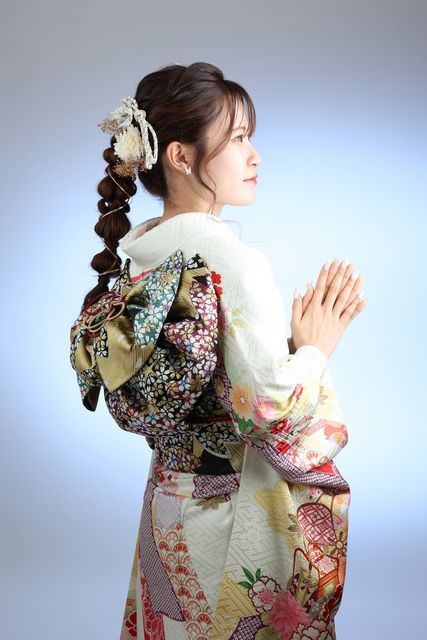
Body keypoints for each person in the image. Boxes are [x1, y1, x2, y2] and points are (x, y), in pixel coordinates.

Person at [69, 62, 367, 640]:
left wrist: (284, 348)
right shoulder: (235, 262)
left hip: (169, 505)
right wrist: (313, 350)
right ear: (180, 156)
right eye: (238, 138)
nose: (255, 156)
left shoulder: (145, 256)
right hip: (232, 513)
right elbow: (267, 410)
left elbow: (209, 380)